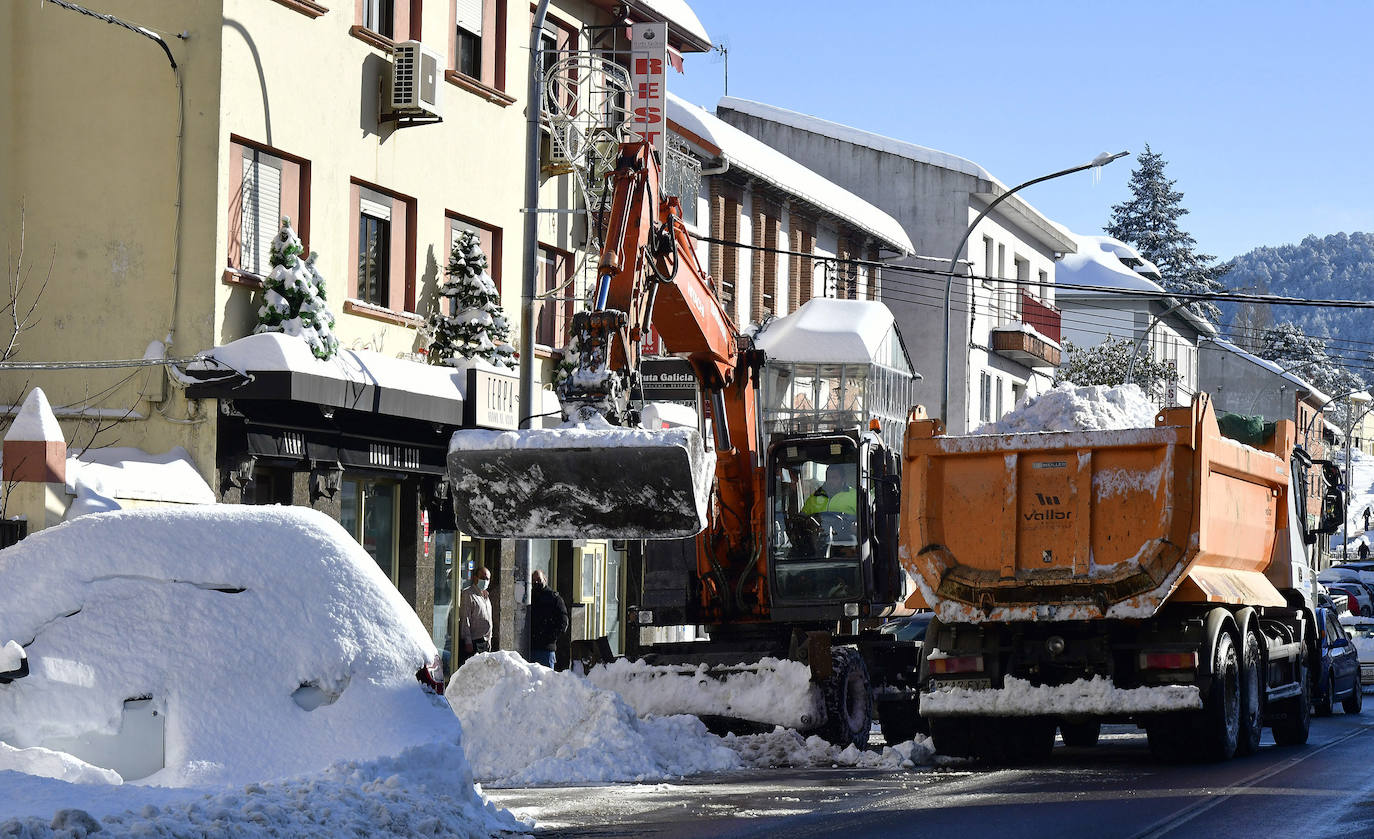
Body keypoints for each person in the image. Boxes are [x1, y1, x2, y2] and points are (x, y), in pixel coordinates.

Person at [528, 570, 568, 669]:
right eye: (533, 580)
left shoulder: (554, 598)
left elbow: (563, 622)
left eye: (538, 579)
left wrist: (551, 638)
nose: (536, 582)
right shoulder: (529, 597)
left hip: (546, 650)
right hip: (530, 647)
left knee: (546, 680)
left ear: (545, 580)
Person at [457, 565, 493, 667]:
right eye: (482, 578)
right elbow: (465, 618)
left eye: (487, 579)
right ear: (475, 578)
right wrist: (468, 641)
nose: (485, 581)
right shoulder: (468, 594)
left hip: (486, 641)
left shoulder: (486, 595)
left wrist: (489, 639)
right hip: (474, 642)